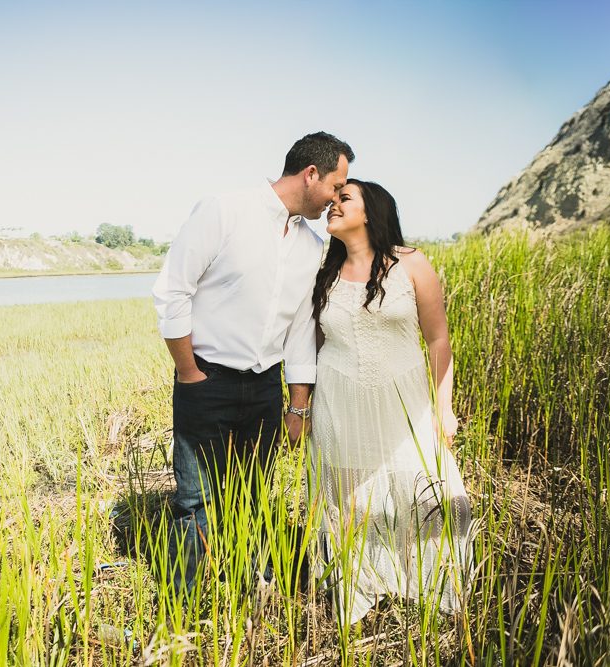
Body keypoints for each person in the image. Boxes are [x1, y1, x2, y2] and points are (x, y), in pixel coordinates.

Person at [152, 131, 355, 598]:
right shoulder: (223, 211)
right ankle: (179, 606)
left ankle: (248, 591)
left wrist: (298, 404)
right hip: (207, 379)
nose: (335, 198)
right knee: (194, 500)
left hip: (266, 387)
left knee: (251, 496)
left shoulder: (309, 244)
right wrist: (189, 373)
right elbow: (172, 291)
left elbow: (301, 327)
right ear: (310, 174)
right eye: (334, 186)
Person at [310, 179, 473, 626]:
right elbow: (315, 344)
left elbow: (438, 338)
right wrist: (300, 405)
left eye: (344, 199)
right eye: (333, 199)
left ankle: (430, 583)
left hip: (405, 401)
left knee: (428, 490)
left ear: (371, 212)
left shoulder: (412, 264)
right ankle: (360, 588)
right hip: (339, 400)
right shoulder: (323, 273)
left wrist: (443, 408)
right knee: (348, 502)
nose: (332, 205)